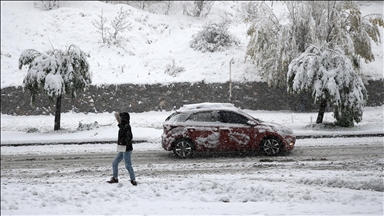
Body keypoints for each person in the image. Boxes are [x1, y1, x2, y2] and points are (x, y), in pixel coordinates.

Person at [107, 112, 137, 186]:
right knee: (114, 162)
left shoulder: (127, 126)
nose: (117, 120)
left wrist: (122, 142)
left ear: (123, 118)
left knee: (128, 165)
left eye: (118, 118)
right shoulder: (122, 126)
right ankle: (115, 178)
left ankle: (133, 180)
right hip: (122, 148)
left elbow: (129, 137)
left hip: (126, 149)